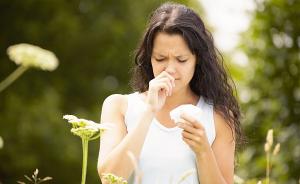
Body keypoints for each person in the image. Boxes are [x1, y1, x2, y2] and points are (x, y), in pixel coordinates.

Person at [97, 2, 242, 184]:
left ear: (197, 59)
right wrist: (149, 112)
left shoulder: (217, 116)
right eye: (161, 58)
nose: (170, 69)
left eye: (181, 60)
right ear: (149, 58)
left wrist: (203, 150)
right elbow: (108, 179)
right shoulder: (118, 106)